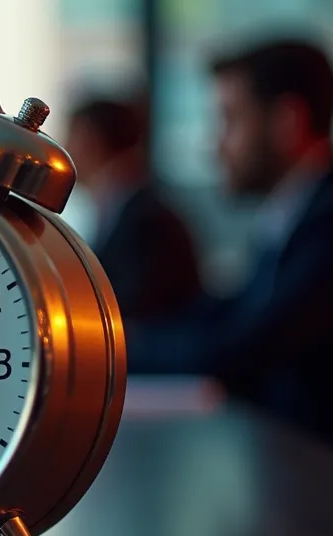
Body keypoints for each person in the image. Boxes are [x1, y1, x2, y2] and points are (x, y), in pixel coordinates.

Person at [128, 39, 333, 433]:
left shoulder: (326, 222)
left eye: (230, 119)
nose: (216, 145)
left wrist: (120, 347)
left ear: (286, 122)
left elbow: (244, 345)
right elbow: (230, 312)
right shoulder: (295, 215)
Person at [66, 97, 202, 320]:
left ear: (92, 140)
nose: (65, 147)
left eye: (72, 136)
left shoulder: (148, 221)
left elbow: (131, 308)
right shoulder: (124, 209)